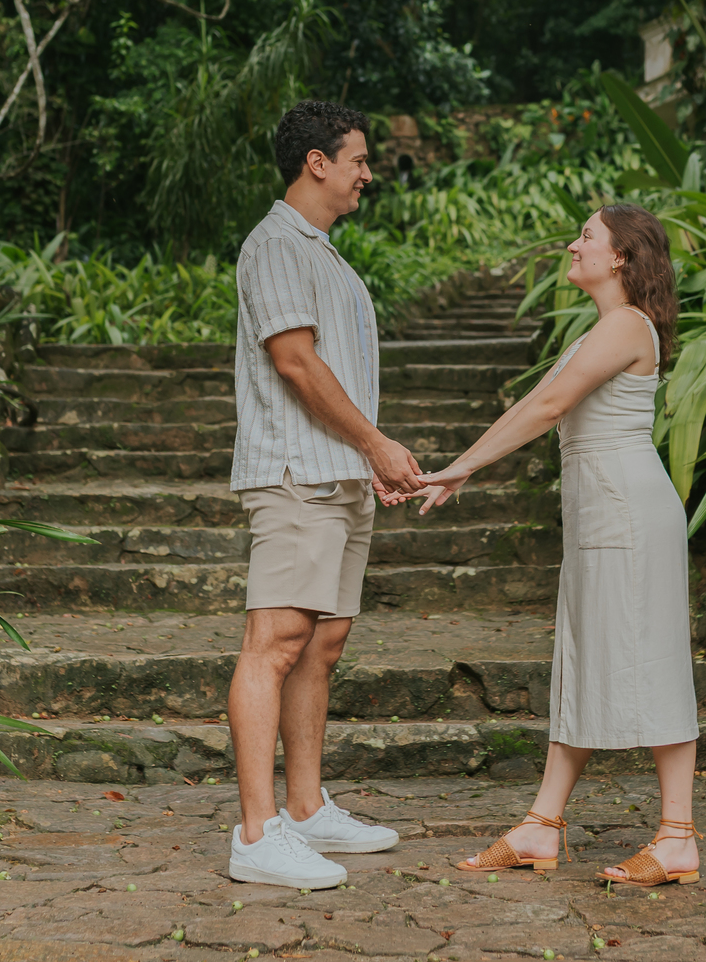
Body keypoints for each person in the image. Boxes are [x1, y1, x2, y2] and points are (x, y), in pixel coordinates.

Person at [414, 203, 700, 888]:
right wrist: (463, 463)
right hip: (604, 513)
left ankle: (678, 836)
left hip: (628, 514)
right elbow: (535, 401)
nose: (574, 245)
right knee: (581, 659)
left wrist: (464, 467)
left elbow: (546, 410)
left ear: (622, 257)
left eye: (587, 237)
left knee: (652, 658)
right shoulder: (605, 327)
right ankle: (542, 825)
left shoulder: (627, 325)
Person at [226, 100, 424, 890]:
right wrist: (375, 443)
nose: (368, 174)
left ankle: (307, 811)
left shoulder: (328, 256)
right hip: (294, 476)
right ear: (316, 162)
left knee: (323, 645)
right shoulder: (275, 246)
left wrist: (367, 459)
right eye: (358, 160)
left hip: (339, 477)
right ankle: (256, 833)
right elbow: (297, 365)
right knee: (273, 641)